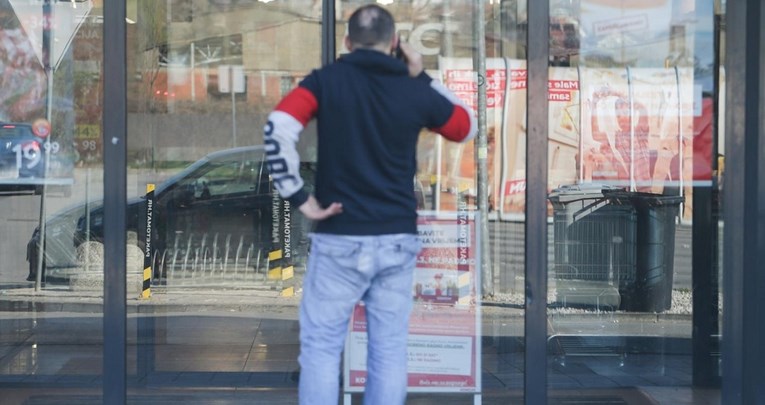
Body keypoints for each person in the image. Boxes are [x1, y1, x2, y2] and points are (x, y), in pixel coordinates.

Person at [263, 4, 476, 404]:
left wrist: (299, 197)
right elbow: (466, 126)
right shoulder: (414, 88)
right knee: (389, 350)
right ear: (395, 43)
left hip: (339, 236)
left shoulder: (326, 81)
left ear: (347, 42)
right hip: (395, 237)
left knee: (322, 350)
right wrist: (423, 73)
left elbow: (278, 126)